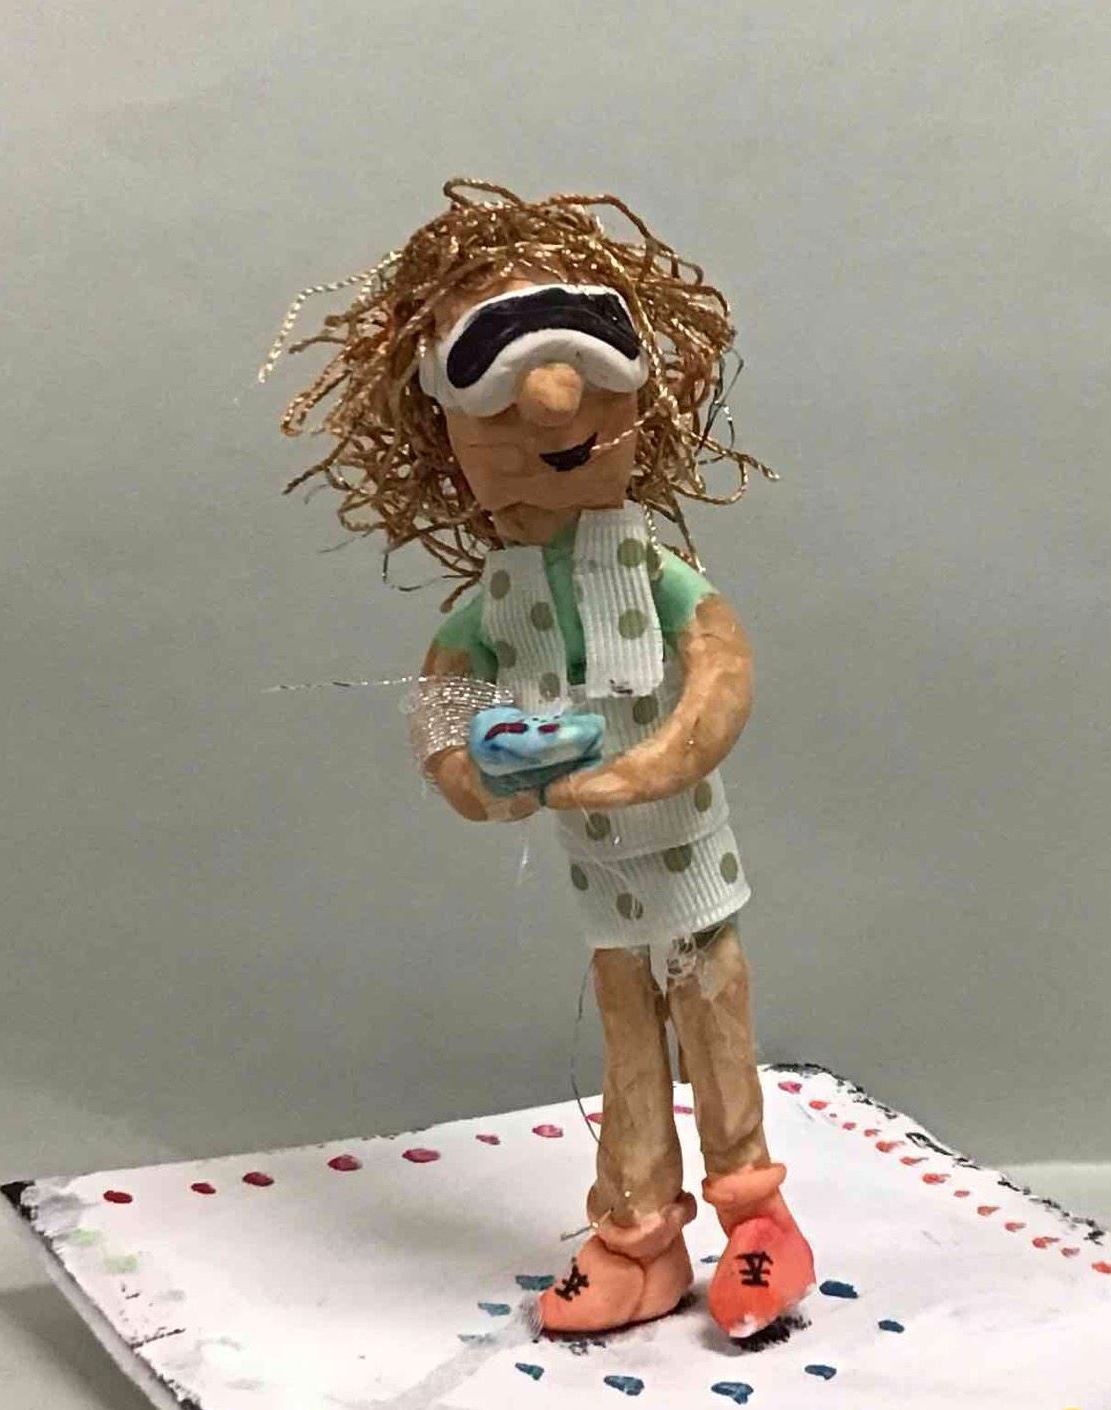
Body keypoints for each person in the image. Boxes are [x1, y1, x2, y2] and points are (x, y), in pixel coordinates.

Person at [273, 180, 814, 1339]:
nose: (543, 441)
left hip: (687, 855)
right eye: (500, 439)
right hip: (597, 876)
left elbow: (719, 669)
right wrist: (470, 772)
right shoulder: (498, 597)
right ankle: (637, 1233)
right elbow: (444, 697)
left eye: (569, 435)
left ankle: (757, 1218)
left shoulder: (651, 571)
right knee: (627, 1037)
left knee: (712, 1009)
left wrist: (652, 763)